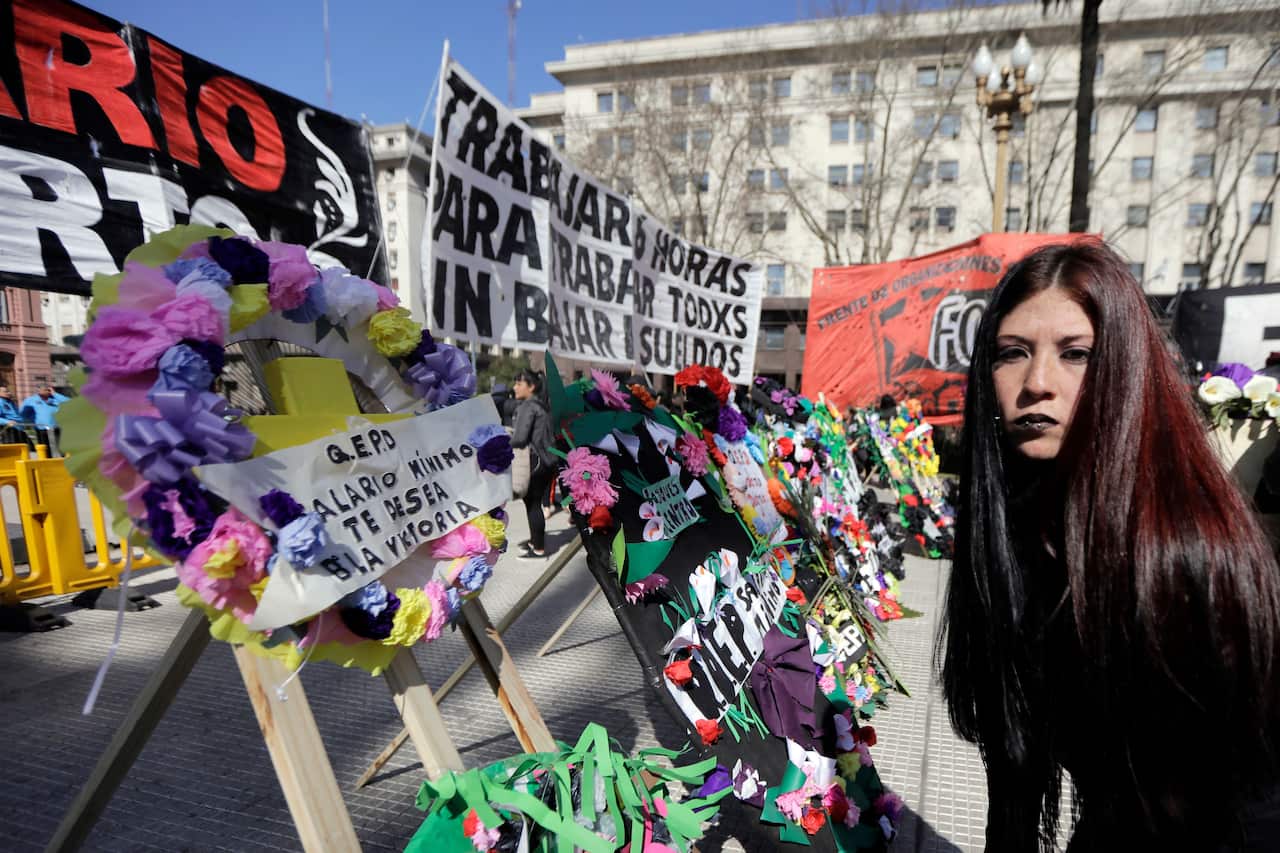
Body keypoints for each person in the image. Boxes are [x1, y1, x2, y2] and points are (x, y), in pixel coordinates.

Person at [938, 241, 1280, 851]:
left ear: (1123, 368)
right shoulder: (1009, 529)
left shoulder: (1184, 550)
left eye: (1076, 354)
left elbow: (1216, 809)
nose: (1036, 383)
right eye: (1012, 353)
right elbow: (1013, 775)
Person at [510, 369, 556, 558]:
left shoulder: (527, 407)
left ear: (531, 386)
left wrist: (502, 440)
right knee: (534, 503)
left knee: (533, 505)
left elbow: (520, 438)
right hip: (548, 461)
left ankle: (538, 547)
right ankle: (535, 541)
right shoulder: (543, 406)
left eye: (519, 383)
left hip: (535, 462)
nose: (515, 387)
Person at [20, 385, 66, 455]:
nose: (47, 391)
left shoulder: (55, 399)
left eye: (48, 390)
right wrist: (34, 420)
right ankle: (48, 464)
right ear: (38, 391)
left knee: (61, 448)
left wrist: (55, 394)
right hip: (41, 428)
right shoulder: (31, 400)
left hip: (56, 427)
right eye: (44, 390)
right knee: (45, 450)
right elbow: (23, 413)